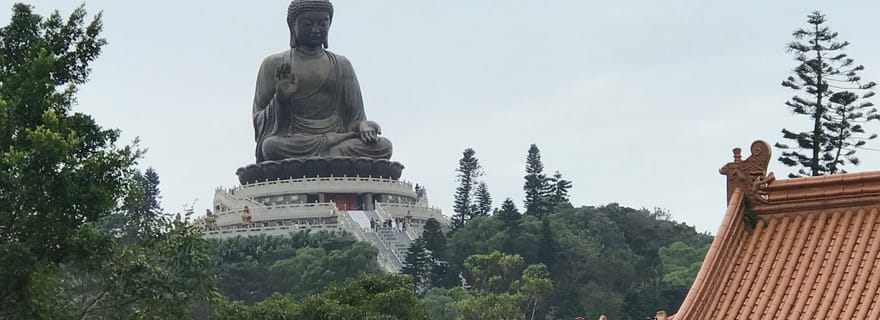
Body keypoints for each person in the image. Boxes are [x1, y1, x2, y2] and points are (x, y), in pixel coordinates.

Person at [252, 0, 392, 162]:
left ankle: (323, 158)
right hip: (296, 142)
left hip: (338, 140)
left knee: (384, 146)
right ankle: (331, 159)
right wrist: (282, 99)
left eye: (322, 24)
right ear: (292, 25)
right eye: (307, 24)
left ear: (329, 24)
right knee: (271, 147)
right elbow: (259, 120)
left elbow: (355, 119)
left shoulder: (342, 65)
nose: (316, 29)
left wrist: (364, 126)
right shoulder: (274, 64)